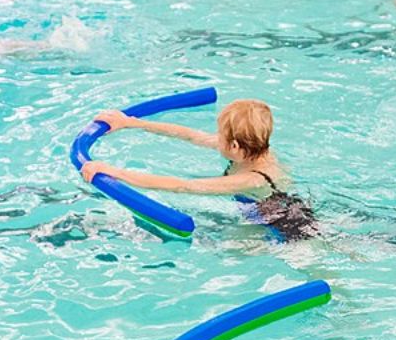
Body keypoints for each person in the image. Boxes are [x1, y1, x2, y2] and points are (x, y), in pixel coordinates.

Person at [77, 98, 319, 241]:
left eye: (220, 136)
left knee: (226, 249)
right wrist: (132, 122)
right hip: (266, 215)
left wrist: (114, 172)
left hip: (288, 231)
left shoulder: (252, 179)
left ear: (234, 146)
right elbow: (191, 136)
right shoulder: (251, 148)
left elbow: (183, 186)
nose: (215, 139)